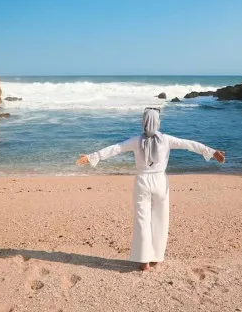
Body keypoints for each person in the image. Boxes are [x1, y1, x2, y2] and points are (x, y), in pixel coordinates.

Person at [76, 107, 225, 271]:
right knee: (161, 219)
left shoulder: (135, 140)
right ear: (158, 123)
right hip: (160, 181)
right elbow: (189, 144)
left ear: (143, 122)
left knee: (142, 220)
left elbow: (115, 148)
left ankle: (144, 261)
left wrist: (90, 157)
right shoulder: (166, 139)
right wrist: (211, 152)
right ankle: (156, 258)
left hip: (142, 181)